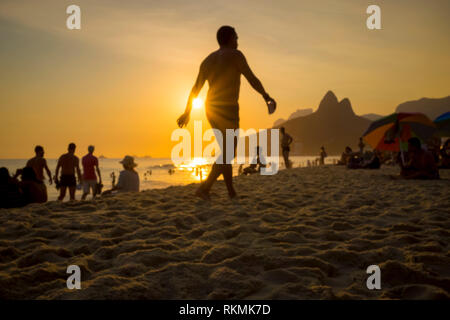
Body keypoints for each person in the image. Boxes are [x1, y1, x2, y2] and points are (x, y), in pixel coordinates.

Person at [177, 25, 276, 200]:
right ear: (230, 38)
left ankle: (231, 193)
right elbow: (251, 78)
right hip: (228, 108)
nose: (238, 41)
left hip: (211, 108)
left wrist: (187, 112)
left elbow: (195, 89)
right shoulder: (235, 55)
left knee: (226, 150)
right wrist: (266, 96)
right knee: (229, 151)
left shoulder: (208, 60)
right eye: (236, 37)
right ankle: (205, 188)